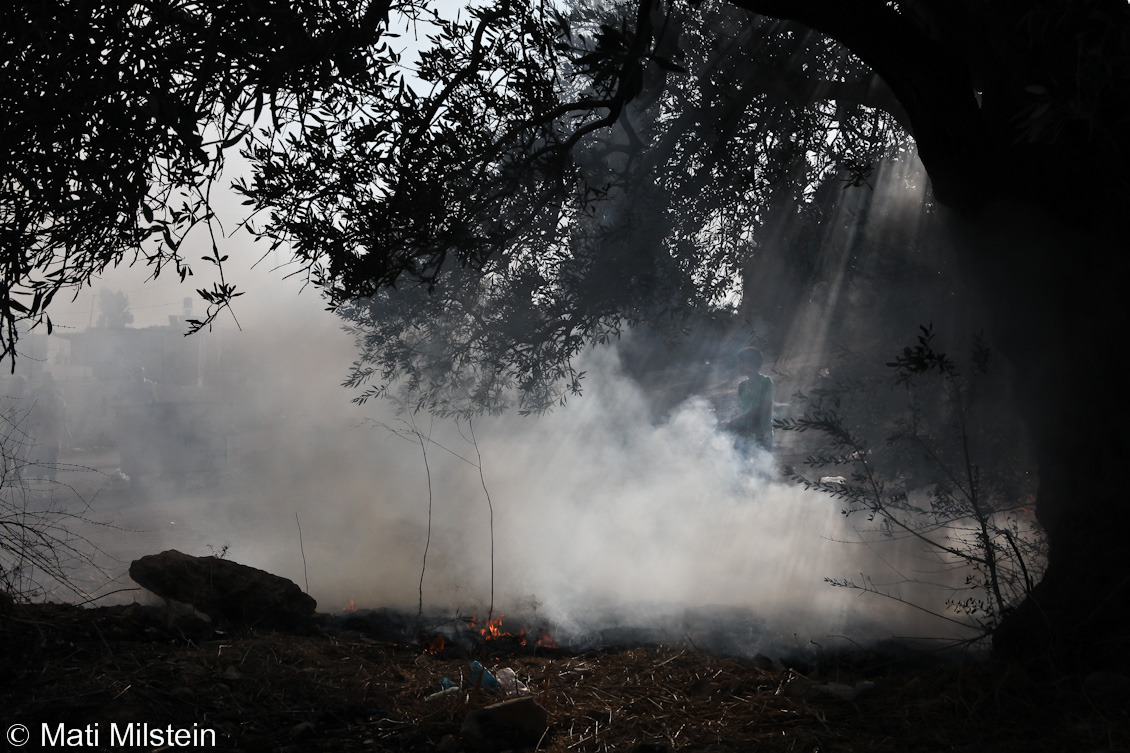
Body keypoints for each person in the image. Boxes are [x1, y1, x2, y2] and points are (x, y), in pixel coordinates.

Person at [721, 347, 775, 451]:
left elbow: (764, 409)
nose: (737, 366)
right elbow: (741, 410)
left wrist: (735, 421)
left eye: (739, 363)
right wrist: (729, 422)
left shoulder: (766, 382)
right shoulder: (742, 385)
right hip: (744, 435)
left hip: (762, 436)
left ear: (748, 363)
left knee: (760, 465)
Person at [29, 371, 66, 481]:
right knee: (41, 452)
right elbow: (33, 410)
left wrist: (58, 420)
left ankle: (52, 476)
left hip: (54, 428)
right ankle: (39, 476)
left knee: (53, 452)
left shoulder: (58, 394)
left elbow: (63, 410)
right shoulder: (37, 393)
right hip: (42, 427)